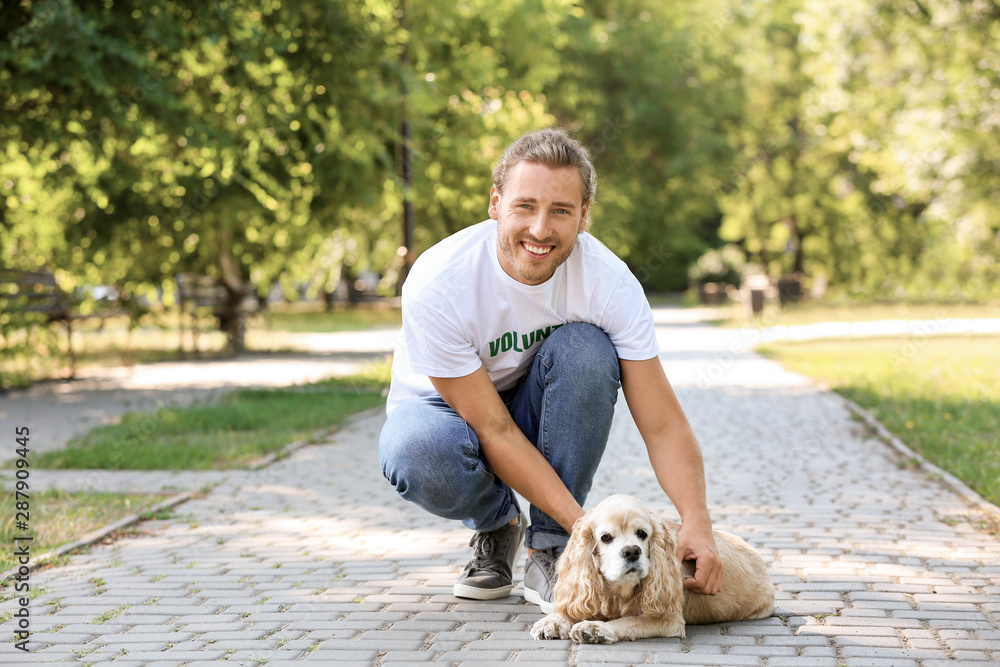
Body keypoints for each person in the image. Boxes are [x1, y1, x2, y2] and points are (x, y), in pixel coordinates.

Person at [378, 127, 721, 613]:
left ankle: (550, 545)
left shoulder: (609, 283)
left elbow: (663, 423)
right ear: (495, 203)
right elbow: (492, 428)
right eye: (525, 206)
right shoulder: (439, 282)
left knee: (586, 350)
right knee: (414, 449)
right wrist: (589, 534)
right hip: (448, 416)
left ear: (583, 216)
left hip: (536, 402)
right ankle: (498, 525)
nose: (540, 229)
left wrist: (696, 521)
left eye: (560, 211)